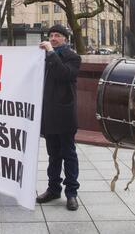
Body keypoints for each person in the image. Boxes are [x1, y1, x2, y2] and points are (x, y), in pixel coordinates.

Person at [35, 24, 81, 211]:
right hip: (48, 115)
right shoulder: (43, 57)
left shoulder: (73, 57)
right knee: (53, 155)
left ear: (65, 39)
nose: (53, 38)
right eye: (51, 35)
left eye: (57, 36)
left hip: (64, 114)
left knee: (68, 154)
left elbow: (65, 74)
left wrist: (51, 53)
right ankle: (53, 189)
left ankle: (71, 193)